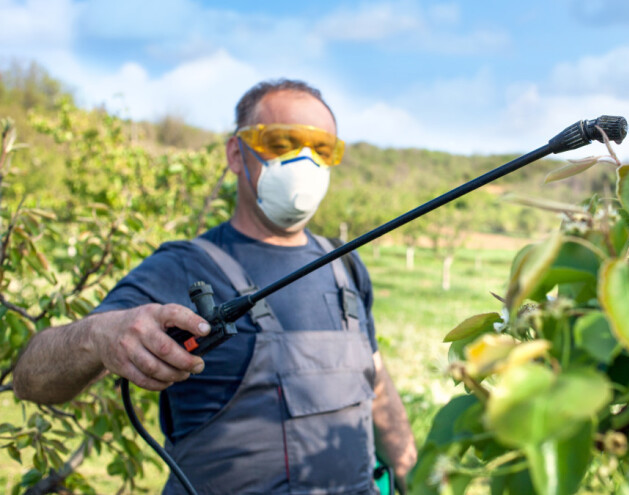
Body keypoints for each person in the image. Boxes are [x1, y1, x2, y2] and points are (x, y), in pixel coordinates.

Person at [12, 79, 417, 494]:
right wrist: (98, 337)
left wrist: (415, 475)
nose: (306, 162)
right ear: (236, 154)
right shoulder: (184, 266)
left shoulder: (345, 264)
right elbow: (30, 380)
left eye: (322, 149)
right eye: (283, 142)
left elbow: (377, 385)